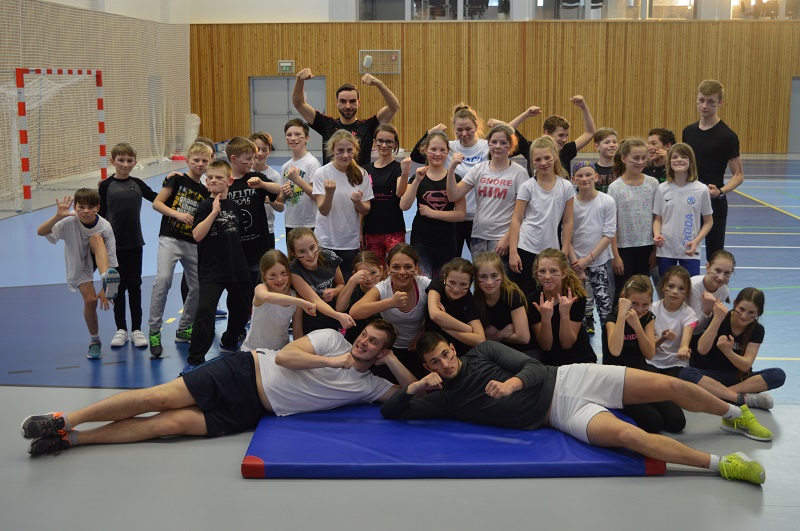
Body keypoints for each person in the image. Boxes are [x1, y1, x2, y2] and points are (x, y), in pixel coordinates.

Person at [381, 333, 771, 485]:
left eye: (446, 354)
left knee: (670, 385)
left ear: (453, 348)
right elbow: (392, 413)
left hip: (572, 378)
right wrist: (413, 387)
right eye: (435, 362)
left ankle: (736, 416)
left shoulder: (483, 351)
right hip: (560, 416)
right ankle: (724, 464)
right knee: (629, 435)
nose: (445, 364)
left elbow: (534, 366)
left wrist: (511, 384)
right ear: (428, 367)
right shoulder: (444, 397)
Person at [22, 320, 417, 456]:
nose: (364, 343)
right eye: (364, 336)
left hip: (251, 411)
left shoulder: (369, 385)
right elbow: (285, 358)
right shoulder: (331, 339)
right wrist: (334, 362)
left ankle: (73, 440)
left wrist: (391, 361)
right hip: (244, 371)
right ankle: (63, 418)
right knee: (158, 397)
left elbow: (411, 391)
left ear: (381, 352)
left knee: (169, 424)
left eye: (373, 344)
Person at [37, 190, 120, 359]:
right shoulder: (68, 220)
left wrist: (105, 288)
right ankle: (95, 340)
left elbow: (112, 257)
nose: (86, 211)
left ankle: (106, 279)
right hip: (80, 265)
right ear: (75, 207)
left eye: (91, 207)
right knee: (90, 301)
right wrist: (57, 217)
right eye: (81, 207)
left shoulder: (105, 226)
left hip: (100, 257)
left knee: (96, 238)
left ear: (98, 208)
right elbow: (41, 231)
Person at [148, 142, 212, 358]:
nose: (200, 164)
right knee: (163, 279)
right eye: (196, 160)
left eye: (204, 161)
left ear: (210, 162)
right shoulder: (176, 179)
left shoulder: (205, 190)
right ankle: (154, 331)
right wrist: (177, 215)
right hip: (170, 238)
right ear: (187, 161)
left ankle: (184, 328)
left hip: (192, 243)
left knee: (198, 286)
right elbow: (157, 203)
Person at [186, 160, 252, 366]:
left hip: (236, 268)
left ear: (229, 181)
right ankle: (195, 358)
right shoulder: (205, 206)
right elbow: (197, 235)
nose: (213, 180)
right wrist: (214, 212)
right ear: (206, 182)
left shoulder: (234, 207)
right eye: (210, 178)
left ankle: (230, 340)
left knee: (242, 308)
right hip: (212, 270)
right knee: (205, 311)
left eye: (219, 178)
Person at [602, 275, 686, 434]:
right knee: (654, 423)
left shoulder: (647, 318)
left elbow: (649, 354)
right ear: (623, 298)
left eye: (645, 305)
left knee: (677, 421)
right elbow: (615, 350)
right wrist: (622, 316)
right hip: (619, 381)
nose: (639, 310)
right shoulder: (612, 319)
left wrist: (638, 327)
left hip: (640, 376)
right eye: (634, 304)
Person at [682, 288, 785, 411]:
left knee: (778, 374)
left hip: (738, 379)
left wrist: (728, 351)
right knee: (686, 373)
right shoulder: (720, 317)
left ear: (759, 313)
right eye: (741, 309)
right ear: (735, 303)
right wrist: (717, 319)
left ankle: (721, 394)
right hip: (712, 376)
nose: (744, 316)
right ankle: (739, 399)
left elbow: (745, 365)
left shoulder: (757, 329)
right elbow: (702, 349)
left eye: (751, 313)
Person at [98, 142, 157, 350]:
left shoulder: (138, 184)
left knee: (134, 286)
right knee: (116, 287)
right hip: (112, 246)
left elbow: (158, 199)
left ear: (135, 162)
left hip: (134, 244)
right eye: (121, 160)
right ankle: (121, 329)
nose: (125, 164)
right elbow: (100, 215)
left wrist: (172, 181)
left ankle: (137, 329)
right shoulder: (105, 186)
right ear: (112, 161)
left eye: (129, 160)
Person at [411, 104, 490, 254]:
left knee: (481, 263)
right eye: (459, 130)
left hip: (479, 217)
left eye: (468, 129)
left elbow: (510, 144)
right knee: (453, 262)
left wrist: (501, 124)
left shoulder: (487, 147)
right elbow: (416, 155)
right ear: (454, 129)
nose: (464, 133)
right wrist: (431, 132)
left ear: (476, 126)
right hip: (454, 216)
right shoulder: (449, 148)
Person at [446, 124, 529, 260]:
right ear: (488, 144)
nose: (498, 146)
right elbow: (453, 195)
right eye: (494, 142)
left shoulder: (519, 173)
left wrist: (508, 237)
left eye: (503, 143)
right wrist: (451, 169)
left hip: (502, 237)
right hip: (478, 236)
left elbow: (524, 212)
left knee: (499, 274)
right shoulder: (478, 169)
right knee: (480, 273)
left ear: (511, 145)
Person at [682, 80, 744, 260]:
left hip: (714, 202)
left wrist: (720, 192)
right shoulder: (688, 131)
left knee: (714, 255)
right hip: (689, 200)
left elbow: (738, 175)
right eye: (701, 100)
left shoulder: (727, 136)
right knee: (685, 251)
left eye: (711, 102)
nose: (704, 106)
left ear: (720, 102)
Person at [351, 243, 432, 380]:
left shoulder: (425, 285)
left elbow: (439, 313)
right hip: (389, 347)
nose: (402, 272)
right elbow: (355, 312)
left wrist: (422, 333)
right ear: (388, 269)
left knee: (419, 383)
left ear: (416, 268)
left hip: (418, 346)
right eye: (396, 267)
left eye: (408, 267)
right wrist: (390, 303)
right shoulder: (383, 288)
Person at [292, 68, 400, 166]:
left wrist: (379, 84)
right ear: (337, 103)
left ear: (358, 103)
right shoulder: (326, 125)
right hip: (331, 180)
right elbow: (299, 103)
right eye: (343, 101)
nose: (348, 106)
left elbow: (394, 107)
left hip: (358, 180)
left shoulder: (368, 127)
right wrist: (299, 80)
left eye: (352, 101)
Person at [508, 136, 575, 294]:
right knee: (524, 293)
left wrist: (565, 250)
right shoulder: (527, 186)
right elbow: (516, 219)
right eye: (538, 160)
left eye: (547, 158)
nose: (543, 163)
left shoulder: (566, 186)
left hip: (551, 250)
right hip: (526, 247)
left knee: (549, 292)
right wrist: (513, 252)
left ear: (555, 156)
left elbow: (568, 221)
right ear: (532, 161)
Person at [400, 131, 466, 278]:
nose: (438, 154)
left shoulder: (454, 178)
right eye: (433, 149)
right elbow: (404, 205)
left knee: (442, 282)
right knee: (423, 280)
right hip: (421, 240)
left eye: (442, 150)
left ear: (448, 152)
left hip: (447, 240)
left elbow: (461, 214)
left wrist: (433, 213)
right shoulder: (418, 176)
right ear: (425, 150)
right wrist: (417, 181)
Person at [313, 130, 374, 280]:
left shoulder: (361, 174)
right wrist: (329, 193)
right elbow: (323, 210)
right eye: (340, 150)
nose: (345, 155)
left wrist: (357, 202)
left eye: (349, 150)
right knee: (327, 283)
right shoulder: (322, 173)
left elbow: (366, 210)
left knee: (348, 282)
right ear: (332, 151)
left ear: (355, 151)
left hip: (349, 242)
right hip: (326, 240)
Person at [224, 136, 281, 287]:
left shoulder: (255, 178)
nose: (252, 162)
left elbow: (277, 189)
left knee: (260, 284)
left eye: (253, 158)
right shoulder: (225, 182)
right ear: (234, 159)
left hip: (258, 247)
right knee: (239, 289)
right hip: (235, 248)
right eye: (248, 159)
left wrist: (263, 184)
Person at [608, 137, 659, 301]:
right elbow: (611, 225)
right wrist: (615, 256)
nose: (640, 162)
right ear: (624, 158)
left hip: (646, 247)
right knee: (622, 293)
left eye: (644, 158)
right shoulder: (615, 187)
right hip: (623, 249)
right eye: (635, 158)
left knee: (643, 292)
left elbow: (658, 217)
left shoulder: (653, 183)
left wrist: (655, 250)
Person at [527, 248, 597, 366]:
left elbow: (567, 344)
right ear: (536, 274)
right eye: (542, 271)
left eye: (553, 271)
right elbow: (546, 346)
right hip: (551, 363)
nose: (547, 276)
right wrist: (546, 319)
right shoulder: (533, 300)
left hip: (580, 358)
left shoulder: (577, 297)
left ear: (563, 273)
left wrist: (565, 315)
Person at [653, 143, 713, 276]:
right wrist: (657, 234)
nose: (679, 160)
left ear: (691, 162)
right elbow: (658, 219)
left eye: (684, 157)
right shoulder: (662, 188)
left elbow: (708, 221)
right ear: (669, 162)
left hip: (690, 249)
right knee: (666, 286)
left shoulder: (701, 189)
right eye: (674, 157)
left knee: (691, 286)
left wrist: (696, 241)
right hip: (666, 250)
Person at [570, 161, 616, 335]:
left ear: (596, 177)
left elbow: (609, 234)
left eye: (589, 175)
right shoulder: (570, 204)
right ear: (574, 179)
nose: (585, 179)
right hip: (575, 264)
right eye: (580, 176)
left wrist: (588, 260)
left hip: (599, 262)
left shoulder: (607, 201)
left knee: (605, 307)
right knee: (577, 308)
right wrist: (576, 263)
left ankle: (608, 341)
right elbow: (565, 237)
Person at [241, 250, 316, 352]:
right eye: (273, 275)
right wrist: (301, 302)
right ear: (264, 275)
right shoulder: (261, 289)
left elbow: (297, 333)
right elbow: (266, 297)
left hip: (280, 352)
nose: (279, 279)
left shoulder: (295, 298)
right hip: (253, 351)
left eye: (283, 273)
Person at [286, 227, 354, 335]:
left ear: (317, 243)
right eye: (302, 251)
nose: (310, 255)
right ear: (294, 253)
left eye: (312, 247)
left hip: (332, 320)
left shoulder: (330, 257)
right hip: (310, 324)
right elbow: (315, 300)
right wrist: (339, 316)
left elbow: (341, 284)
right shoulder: (294, 270)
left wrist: (334, 291)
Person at [361, 124, 411, 265]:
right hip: (371, 230)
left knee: (397, 267)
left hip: (394, 230)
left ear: (395, 144)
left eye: (389, 142)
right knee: (375, 270)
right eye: (380, 141)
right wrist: (359, 231)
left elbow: (399, 192)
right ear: (374, 142)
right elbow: (362, 203)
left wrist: (405, 172)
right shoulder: (365, 170)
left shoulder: (398, 168)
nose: (384, 145)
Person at [509, 96, 596, 171]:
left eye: (566, 135)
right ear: (546, 133)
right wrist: (526, 114)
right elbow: (507, 130)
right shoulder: (531, 149)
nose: (564, 139)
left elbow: (590, 132)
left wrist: (583, 106)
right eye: (561, 135)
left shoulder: (566, 151)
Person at [472, 252, 534, 355]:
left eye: (494, 276)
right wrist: (500, 334)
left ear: (502, 275)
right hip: (497, 352)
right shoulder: (476, 300)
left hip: (525, 352)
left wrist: (495, 336)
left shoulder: (512, 294)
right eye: (483, 277)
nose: (489, 282)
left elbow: (524, 337)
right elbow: (480, 341)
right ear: (476, 279)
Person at [426, 257, 485, 357]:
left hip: (458, 351)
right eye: (452, 282)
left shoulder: (468, 299)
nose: (456, 289)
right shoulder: (438, 283)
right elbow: (435, 315)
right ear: (445, 278)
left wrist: (446, 328)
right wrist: (467, 329)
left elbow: (480, 340)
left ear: (470, 284)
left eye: (463, 284)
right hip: (432, 345)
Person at [648, 266, 697, 377]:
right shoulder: (652, 310)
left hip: (676, 363)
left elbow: (684, 344)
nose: (675, 292)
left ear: (686, 292)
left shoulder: (689, 314)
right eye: (670, 286)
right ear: (662, 287)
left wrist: (684, 349)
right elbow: (650, 347)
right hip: (653, 361)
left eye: (681, 289)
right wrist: (663, 338)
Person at [280, 119, 320, 237]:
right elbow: (281, 200)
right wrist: (285, 193)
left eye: (298, 134)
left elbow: (317, 196)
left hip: (310, 223)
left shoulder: (312, 163)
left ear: (307, 138)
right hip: (291, 222)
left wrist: (297, 179)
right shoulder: (285, 166)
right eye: (289, 135)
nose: (293, 138)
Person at [336, 251, 384, 343]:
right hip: (354, 339)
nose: (369, 278)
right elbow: (339, 308)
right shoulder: (353, 290)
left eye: (373, 273)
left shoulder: (387, 288)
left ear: (381, 270)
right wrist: (352, 281)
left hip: (380, 340)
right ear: (355, 274)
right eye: (363, 275)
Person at [689, 250, 736, 343]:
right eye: (717, 271)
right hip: (683, 334)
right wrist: (707, 310)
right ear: (708, 267)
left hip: (702, 334)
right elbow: (695, 329)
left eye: (727, 273)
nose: (721, 277)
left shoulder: (724, 290)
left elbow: (709, 324)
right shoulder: (693, 286)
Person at [249, 131, 285, 251]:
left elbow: (281, 207)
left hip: (267, 230)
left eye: (264, 150)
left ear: (269, 152)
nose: (260, 153)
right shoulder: (243, 172)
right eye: (257, 149)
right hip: (246, 230)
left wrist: (270, 200)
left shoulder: (274, 176)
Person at [592, 127, 619, 193]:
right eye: (607, 142)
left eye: (614, 142)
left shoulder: (623, 169)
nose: (612, 145)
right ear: (597, 147)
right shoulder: (592, 171)